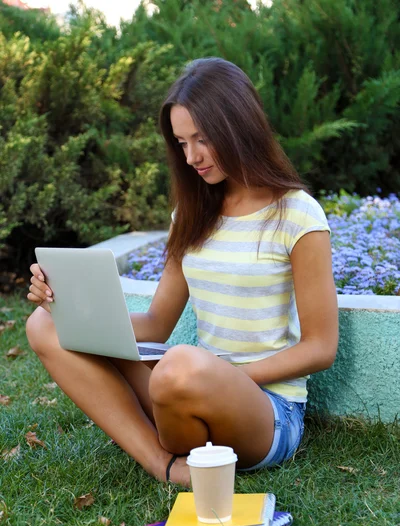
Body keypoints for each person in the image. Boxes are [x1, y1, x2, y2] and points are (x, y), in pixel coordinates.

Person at [26, 58, 338, 487]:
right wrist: (67, 307)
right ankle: (165, 464)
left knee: (179, 366)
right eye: (181, 142)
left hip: (267, 413)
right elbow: (156, 323)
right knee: (44, 324)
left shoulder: (298, 214)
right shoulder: (191, 213)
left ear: (239, 125)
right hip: (187, 389)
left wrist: (223, 378)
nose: (191, 156)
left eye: (202, 139)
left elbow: (321, 347)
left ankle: (176, 422)